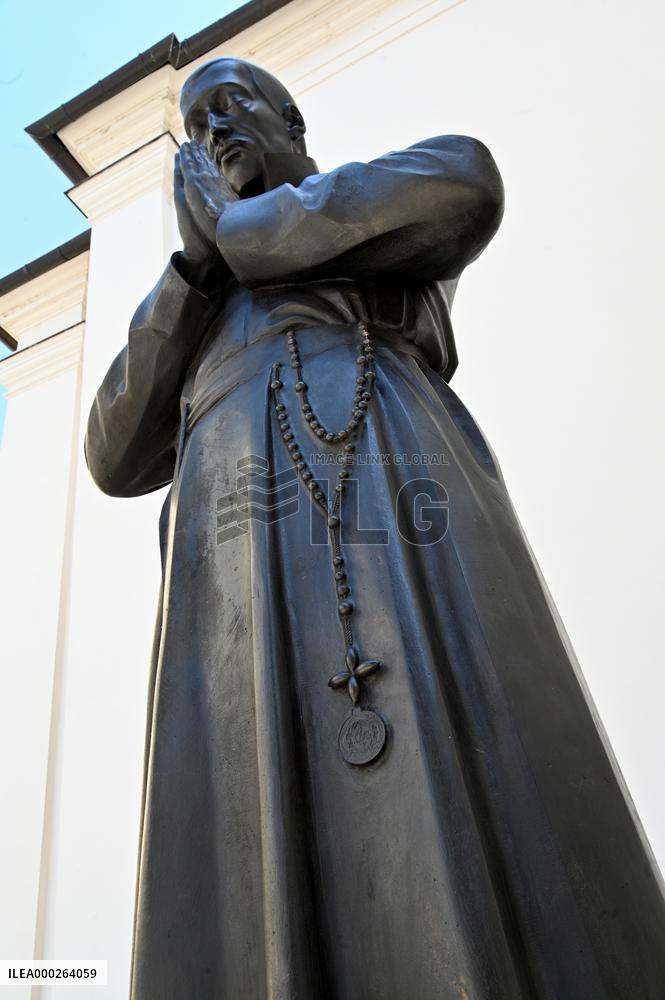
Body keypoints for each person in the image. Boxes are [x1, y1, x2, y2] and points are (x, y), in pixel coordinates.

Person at [86, 57, 665, 1000]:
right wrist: (196, 267)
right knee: (237, 814)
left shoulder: (364, 211)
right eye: (194, 124)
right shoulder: (190, 302)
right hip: (228, 558)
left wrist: (239, 230)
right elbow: (113, 451)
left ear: (291, 118)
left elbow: (468, 178)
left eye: (232, 105)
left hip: (379, 498)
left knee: (434, 783)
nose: (213, 129)